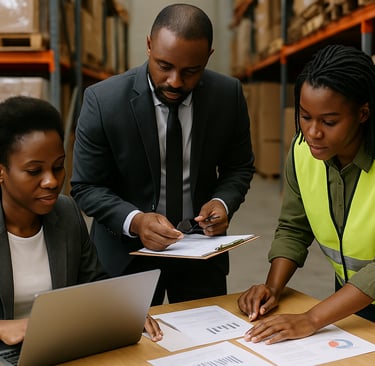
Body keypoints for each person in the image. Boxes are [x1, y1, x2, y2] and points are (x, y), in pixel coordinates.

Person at [71, 3, 254, 305]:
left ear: (208, 56)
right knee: (126, 349)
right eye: (164, 66)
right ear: (148, 45)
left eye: (191, 71)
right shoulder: (103, 101)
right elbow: (86, 186)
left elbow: (239, 167)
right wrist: (135, 220)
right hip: (125, 257)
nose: (175, 81)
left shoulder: (228, 96)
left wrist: (223, 202)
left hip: (201, 256)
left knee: (204, 346)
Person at [238, 44, 375, 344]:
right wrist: (272, 289)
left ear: (363, 113)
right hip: (354, 301)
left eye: (329, 122)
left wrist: (312, 319)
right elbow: (294, 227)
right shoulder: (302, 153)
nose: (313, 132)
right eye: (304, 116)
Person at [0, 96, 162, 345]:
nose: (52, 182)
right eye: (34, 171)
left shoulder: (65, 212)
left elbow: (93, 281)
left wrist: (123, 309)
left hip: (58, 346)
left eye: (58, 167)